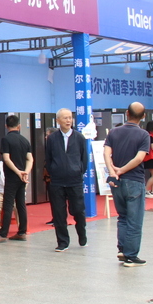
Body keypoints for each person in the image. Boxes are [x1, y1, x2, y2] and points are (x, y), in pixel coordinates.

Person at [103, 102, 150, 267]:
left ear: (127, 113)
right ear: (143, 116)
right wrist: (122, 170)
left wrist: (113, 172)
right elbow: (139, 158)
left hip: (117, 182)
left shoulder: (114, 132)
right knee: (134, 220)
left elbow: (106, 154)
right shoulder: (143, 135)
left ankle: (122, 249)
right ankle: (131, 255)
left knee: (122, 217)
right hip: (134, 180)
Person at [43, 108, 88, 252]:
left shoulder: (79, 137)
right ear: (58, 121)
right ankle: (63, 242)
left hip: (75, 180)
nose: (68, 120)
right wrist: (53, 171)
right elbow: (48, 158)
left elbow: (84, 158)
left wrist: (78, 171)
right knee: (58, 213)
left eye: (70, 118)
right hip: (57, 181)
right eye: (65, 118)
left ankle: (82, 235)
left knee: (78, 210)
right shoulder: (52, 139)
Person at [0, 115, 31, 243]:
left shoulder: (6, 139)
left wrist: (17, 172)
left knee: (8, 204)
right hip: (22, 177)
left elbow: (6, 158)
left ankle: (3, 234)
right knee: (21, 204)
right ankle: (22, 232)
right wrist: (25, 172)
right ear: (19, 126)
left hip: (11, 176)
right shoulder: (25, 140)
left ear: (6, 126)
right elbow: (30, 159)